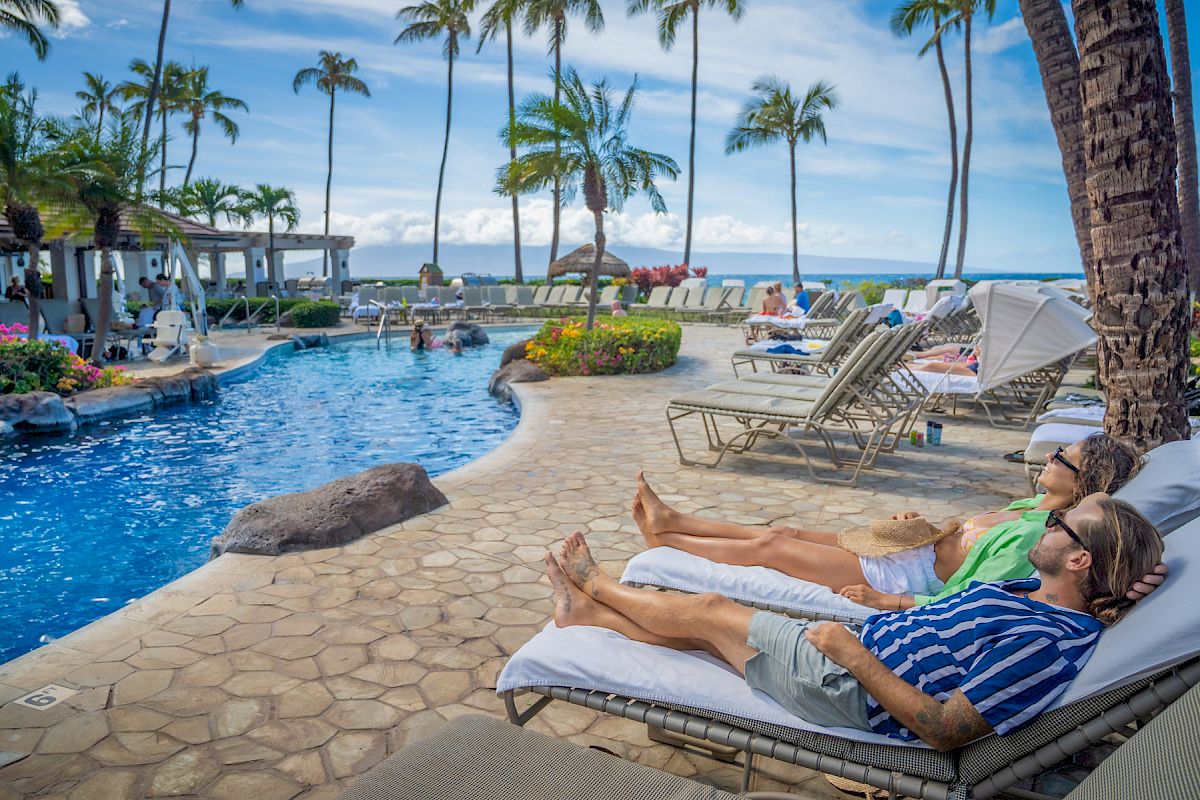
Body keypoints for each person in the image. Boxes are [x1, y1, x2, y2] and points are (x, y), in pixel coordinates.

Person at [546, 494, 1163, 749]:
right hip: (861, 650)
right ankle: (587, 612)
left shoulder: (1047, 641)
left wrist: (851, 653)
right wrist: (890, 607)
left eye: (1061, 523)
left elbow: (948, 729)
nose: (1047, 523)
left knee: (711, 612)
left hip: (847, 687)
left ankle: (596, 584)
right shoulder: (1037, 591)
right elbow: (957, 620)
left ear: (1079, 559)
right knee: (709, 633)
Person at [631, 433, 1166, 610]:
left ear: (1079, 481)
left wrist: (894, 601)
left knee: (772, 545)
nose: (1047, 458)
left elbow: (980, 593)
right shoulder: (1032, 508)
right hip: (908, 548)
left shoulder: (1038, 536)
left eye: (1059, 457)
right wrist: (919, 522)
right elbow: (963, 539)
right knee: (788, 530)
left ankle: (669, 544)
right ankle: (673, 519)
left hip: (904, 578)